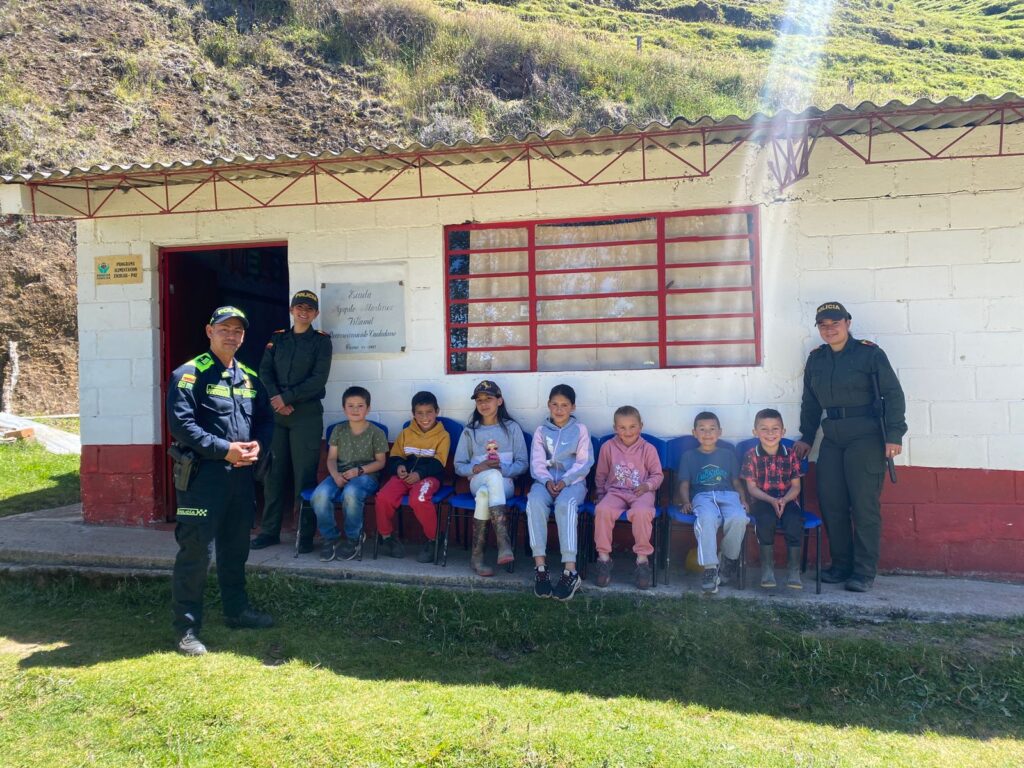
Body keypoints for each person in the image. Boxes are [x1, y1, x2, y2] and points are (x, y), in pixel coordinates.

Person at [166, 305, 275, 656]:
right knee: (197, 551)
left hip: (240, 479)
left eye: (238, 330)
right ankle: (187, 628)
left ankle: (236, 611)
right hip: (202, 479)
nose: (232, 335)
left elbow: (265, 421)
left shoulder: (249, 378)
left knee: (235, 548)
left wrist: (258, 444)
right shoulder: (189, 374)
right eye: (224, 328)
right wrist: (224, 449)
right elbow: (181, 425)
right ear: (209, 331)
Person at [794, 301, 907, 593]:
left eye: (835, 323)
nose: (830, 329)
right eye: (823, 325)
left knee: (864, 506)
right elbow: (810, 402)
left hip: (866, 437)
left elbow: (893, 395)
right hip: (832, 437)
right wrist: (807, 436)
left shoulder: (870, 354)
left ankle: (864, 571)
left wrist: (894, 434)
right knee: (831, 503)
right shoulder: (817, 359)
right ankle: (841, 565)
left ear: (848, 323)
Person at [252, 290, 333, 552]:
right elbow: (264, 370)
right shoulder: (277, 339)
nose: (304, 312)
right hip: (277, 413)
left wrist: (287, 398)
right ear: (291, 310)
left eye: (309, 309)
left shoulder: (321, 342)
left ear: (316, 314)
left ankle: (305, 535)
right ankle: (269, 531)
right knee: (273, 474)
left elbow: (318, 379)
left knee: (304, 476)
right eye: (299, 307)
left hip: (305, 414)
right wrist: (276, 398)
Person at [526, 384, 594, 601]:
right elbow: (536, 462)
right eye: (554, 404)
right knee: (534, 502)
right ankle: (541, 568)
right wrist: (546, 481)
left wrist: (565, 481)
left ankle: (570, 571)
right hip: (544, 482)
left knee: (566, 505)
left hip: (572, 483)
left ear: (572, 407)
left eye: (564, 405)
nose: (559, 409)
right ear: (548, 405)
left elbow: (584, 462)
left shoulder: (580, 430)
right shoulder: (541, 431)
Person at [453, 380, 528, 577]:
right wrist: (478, 467)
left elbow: (523, 463)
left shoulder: (512, 428)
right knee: (487, 482)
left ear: (500, 401)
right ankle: (503, 543)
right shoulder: (470, 431)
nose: (484, 404)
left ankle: (477, 558)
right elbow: (459, 466)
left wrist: (502, 468)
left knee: (486, 495)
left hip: (506, 484)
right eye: (479, 400)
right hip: (476, 482)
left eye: (489, 399)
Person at [311, 386, 388, 562]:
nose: (355, 410)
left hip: (366, 476)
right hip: (340, 473)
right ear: (344, 408)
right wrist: (336, 475)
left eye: (360, 406)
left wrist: (359, 471)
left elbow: (380, 462)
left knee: (351, 493)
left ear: (368, 408)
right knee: (319, 495)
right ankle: (330, 538)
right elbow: (331, 459)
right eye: (350, 406)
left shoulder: (377, 432)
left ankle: (354, 538)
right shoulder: (338, 430)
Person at [375, 391, 450, 564]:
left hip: (428, 477)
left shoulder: (443, 436)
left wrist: (419, 474)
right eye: (420, 413)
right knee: (383, 497)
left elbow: (439, 463)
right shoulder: (405, 433)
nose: (425, 417)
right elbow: (395, 456)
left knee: (420, 499)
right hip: (404, 476)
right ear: (413, 414)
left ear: (437, 411)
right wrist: (399, 467)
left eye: (429, 412)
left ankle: (434, 539)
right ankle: (386, 537)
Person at [678, 411, 749, 595]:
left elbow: (736, 482)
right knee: (707, 518)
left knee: (739, 518)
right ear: (694, 433)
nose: (707, 433)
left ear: (720, 432)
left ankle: (728, 560)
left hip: (728, 495)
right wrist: (685, 501)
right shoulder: (688, 456)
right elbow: (684, 483)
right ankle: (710, 568)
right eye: (702, 429)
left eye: (712, 429)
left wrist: (743, 499)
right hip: (702, 496)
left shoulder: (728, 454)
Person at [593, 406, 663, 590]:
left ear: (641, 426)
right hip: (615, 491)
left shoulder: (648, 449)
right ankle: (603, 559)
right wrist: (600, 494)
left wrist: (647, 486)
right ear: (615, 428)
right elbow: (601, 474)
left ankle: (642, 561)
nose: (628, 432)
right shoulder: (608, 447)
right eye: (622, 427)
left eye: (632, 426)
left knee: (642, 513)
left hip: (641, 492)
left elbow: (657, 475)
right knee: (602, 510)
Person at [741, 409, 804, 589]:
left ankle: (793, 570)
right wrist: (771, 500)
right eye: (764, 429)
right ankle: (767, 569)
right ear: (755, 432)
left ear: (783, 431)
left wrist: (783, 500)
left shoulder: (791, 454)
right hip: (762, 500)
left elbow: (796, 486)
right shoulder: (750, 455)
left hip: (788, 499)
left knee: (794, 521)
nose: (770, 433)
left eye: (775, 429)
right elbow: (751, 488)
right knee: (766, 521)